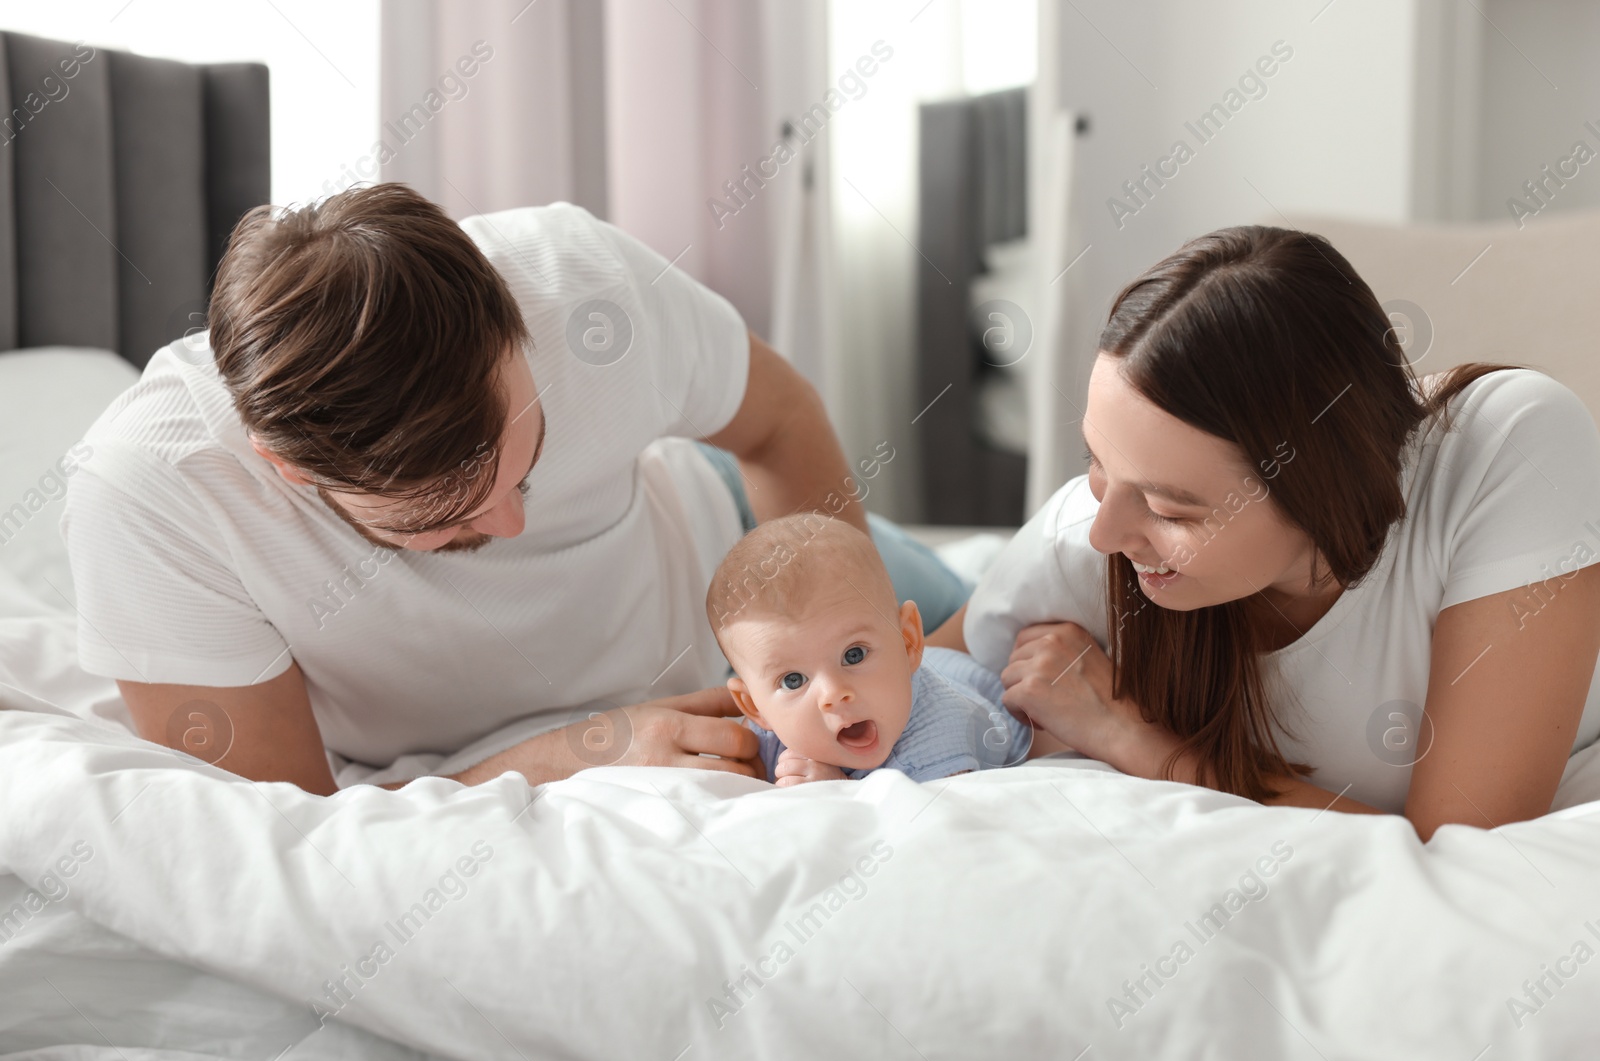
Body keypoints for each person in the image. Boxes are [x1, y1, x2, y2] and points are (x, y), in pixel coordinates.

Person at [61, 183, 968, 794]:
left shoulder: (581, 286)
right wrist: (575, 752)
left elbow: (779, 418)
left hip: (737, 550)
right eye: (443, 518)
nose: (513, 519)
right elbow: (292, 830)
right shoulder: (153, 500)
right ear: (290, 468)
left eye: (524, 463)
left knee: (1031, 618)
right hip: (608, 724)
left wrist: (815, 639)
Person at [928, 225, 1600, 842]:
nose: (1107, 533)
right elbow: (904, 680)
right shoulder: (1084, 538)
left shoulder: (1509, 449)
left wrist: (1134, 738)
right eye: (1096, 462)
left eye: (1171, 509)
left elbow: (1463, 848)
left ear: (1317, 490)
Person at [707, 514, 1040, 786]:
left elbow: (930, 821)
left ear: (909, 640)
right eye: (793, 680)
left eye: (854, 654)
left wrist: (837, 788)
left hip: (975, 686)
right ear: (755, 707)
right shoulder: (769, 737)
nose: (834, 694)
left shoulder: (943, 734)